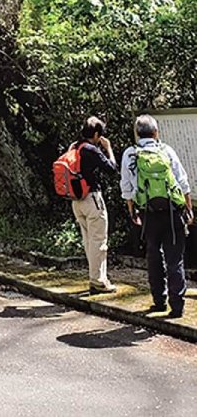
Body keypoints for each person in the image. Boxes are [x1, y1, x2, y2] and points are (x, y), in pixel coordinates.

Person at [120, 114, 194, 319]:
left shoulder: (131, 154)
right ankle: (177, 306)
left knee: (153, 255)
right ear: (156, 132)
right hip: (172, 212)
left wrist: (132, 210)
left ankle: (159, 300)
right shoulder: (166, 150)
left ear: (137, 133)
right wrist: (188, 209)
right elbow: (182, 181)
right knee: (175, 259)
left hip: (148, 214)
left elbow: (126, 187)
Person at [69, 116, 119, 294]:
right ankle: (98, 281)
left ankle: (95, 278)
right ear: (97, 134)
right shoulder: (91, 149)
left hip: (76, 201)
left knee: (88, 240)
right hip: (92, 199)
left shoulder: (74, 147)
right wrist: (108, 149)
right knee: (99, 241)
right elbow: (112, 169)